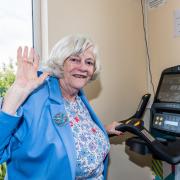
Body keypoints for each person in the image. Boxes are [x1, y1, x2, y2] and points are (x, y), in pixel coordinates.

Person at [0, 34, 122, 179]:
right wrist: (16, 94)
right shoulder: (35, 97)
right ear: (60, 63)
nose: (83, 67)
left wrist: (103, 130)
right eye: (74, 59)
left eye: (89, 62)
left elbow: (73, 132)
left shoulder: (78, 96)